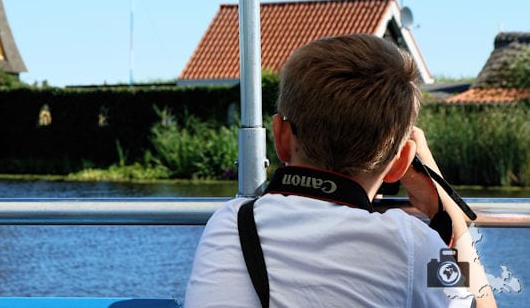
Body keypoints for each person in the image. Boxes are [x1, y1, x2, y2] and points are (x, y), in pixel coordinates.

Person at [184, 34, 495, 307]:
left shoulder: (230, 223)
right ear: (400, 163)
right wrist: (445, 212)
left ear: (279, 136)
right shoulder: (413, 243)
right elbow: (481, 303)